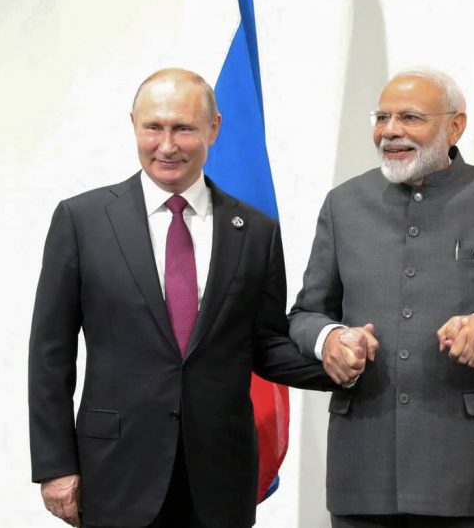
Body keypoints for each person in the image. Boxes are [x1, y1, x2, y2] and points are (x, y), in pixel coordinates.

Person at [28, 68, 341, 527]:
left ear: (214, 127)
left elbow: (266, 344)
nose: (167, 145)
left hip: (219, 479)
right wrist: (55, 466)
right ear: (134, 123)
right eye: (153, 127)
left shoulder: (255, 231)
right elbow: (50, 354)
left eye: (184, 128)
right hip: (116, 472)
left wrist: (341, 365)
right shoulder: (82, 220)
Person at [288, 67, 474, 527]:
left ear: (456, 126)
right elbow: (306, 311)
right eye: (382, 117)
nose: (390, 131)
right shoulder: (343, 204)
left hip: (470, 469)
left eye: (410, 117)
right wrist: (329, 340)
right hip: (363, 470)